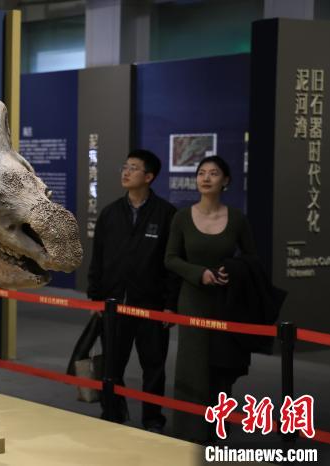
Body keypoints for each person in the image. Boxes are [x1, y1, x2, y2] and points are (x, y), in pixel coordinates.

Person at [82, 149, 179, 433]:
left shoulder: (166, 214)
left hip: (151, 305)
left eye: (133, 168)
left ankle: (153, 419)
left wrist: (170, 305)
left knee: (154, 366)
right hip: (114, 304)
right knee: (112, 364)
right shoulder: (110, 213)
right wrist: (95, 298)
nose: (126, 172)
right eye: (125, 167)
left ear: (149, 177)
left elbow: (171, 264)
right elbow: (97, 260)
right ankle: (112, 412)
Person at [164, 155, 256, 443]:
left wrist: (232, 270)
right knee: (191, 364)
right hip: (193, 298)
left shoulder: (237, 218)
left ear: (225, 180)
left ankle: (217, 426)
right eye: (201, 173)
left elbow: (252, 258)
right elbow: (170, 258)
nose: (205, 178)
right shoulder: (182, 217)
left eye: (213, 173)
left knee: (221, 364)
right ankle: (188, 430)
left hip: (225, 301)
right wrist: (198, 273)